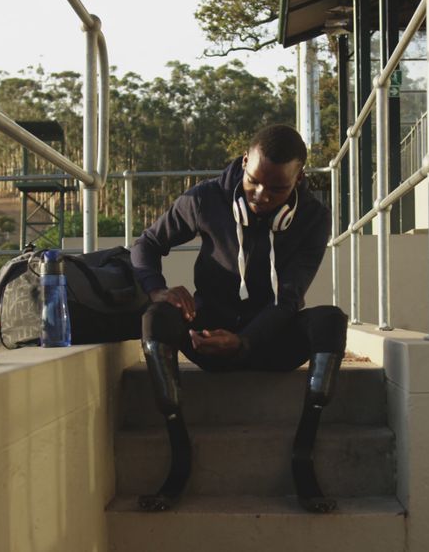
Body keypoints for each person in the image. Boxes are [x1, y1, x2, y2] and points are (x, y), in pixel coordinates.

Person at [131, 124, 347, 514]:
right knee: (155, 318)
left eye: (278, 188)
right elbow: (147, 243)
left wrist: (244, 341)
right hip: (207, 339)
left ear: (299, 178)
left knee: (331, 320)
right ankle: (179, 458)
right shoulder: (205, 199)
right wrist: (157, 289)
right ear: (245, 162)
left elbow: (289, 299)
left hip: (270, 343)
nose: (262, 196)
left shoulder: (314, 218)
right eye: (254, 182)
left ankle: (303, 457)